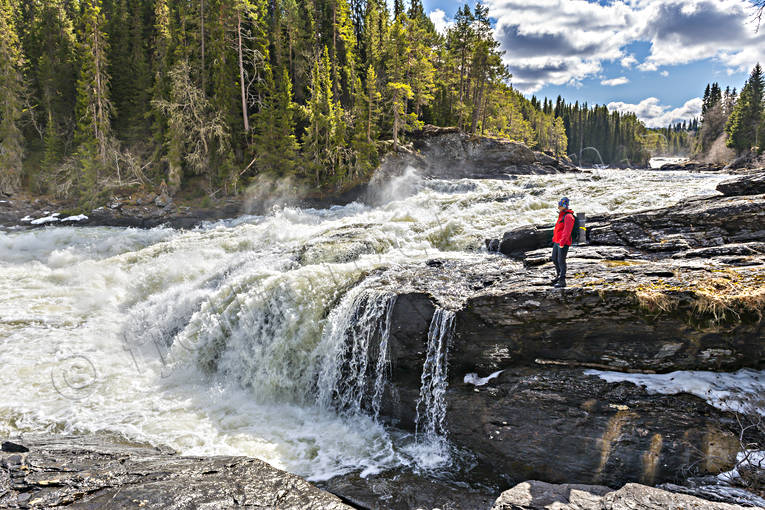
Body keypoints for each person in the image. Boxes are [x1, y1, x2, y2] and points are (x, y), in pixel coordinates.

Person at [551, 197, 575, 288]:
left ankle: (562, 280)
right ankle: (558, 275)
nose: (558, 207)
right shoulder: (561, 215)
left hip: (563, 243)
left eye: (559, 205)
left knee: (561, 260)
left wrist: (562, 243)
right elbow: (558, 228)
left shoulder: (568, 216)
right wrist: (554, 238)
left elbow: (567, 231)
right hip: (557, 242)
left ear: (564, 206)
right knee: (554, 258)